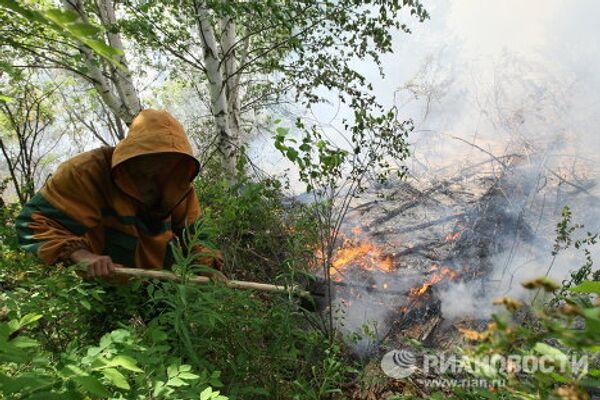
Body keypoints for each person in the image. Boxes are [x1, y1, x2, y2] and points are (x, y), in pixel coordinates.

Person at [15, 109, 224, 280]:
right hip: (103, 281)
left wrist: (208, 267)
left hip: (159, 282)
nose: (161, 165)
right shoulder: (86, 172)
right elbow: (34, 223)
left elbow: (196, 234)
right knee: (106, 331)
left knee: (169, 330)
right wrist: (81, 256)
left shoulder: (176, 182)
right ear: (133, 150)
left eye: (170, 158)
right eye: (153, 155)